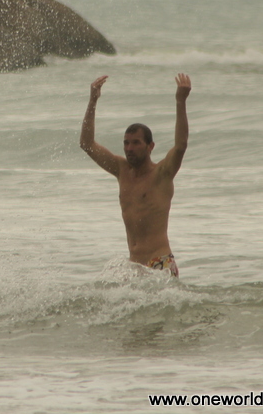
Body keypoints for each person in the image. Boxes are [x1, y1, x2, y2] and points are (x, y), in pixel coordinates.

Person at [79, 73, 191, 277]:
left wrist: (180, 101)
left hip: (160, 263)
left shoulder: (162, 173)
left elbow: (181, 146)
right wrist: (93, 100)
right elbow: (87, 144)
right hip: (135, 267)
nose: (129, 148)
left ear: (150, 146)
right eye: (126, 143)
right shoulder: (121, 170)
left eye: (136, 143)